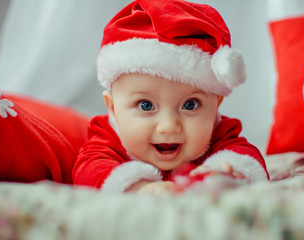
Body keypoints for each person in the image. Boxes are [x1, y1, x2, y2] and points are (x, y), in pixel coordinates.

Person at [72, 0, 269, 194]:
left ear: (215, 106)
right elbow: (88, 169)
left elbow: (247, 156)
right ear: (113, 108)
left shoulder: (218, 133)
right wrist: (139, 187)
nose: (168, 126)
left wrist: (227, 173)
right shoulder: (110, 137)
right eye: (146, 105)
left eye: (190, 105)